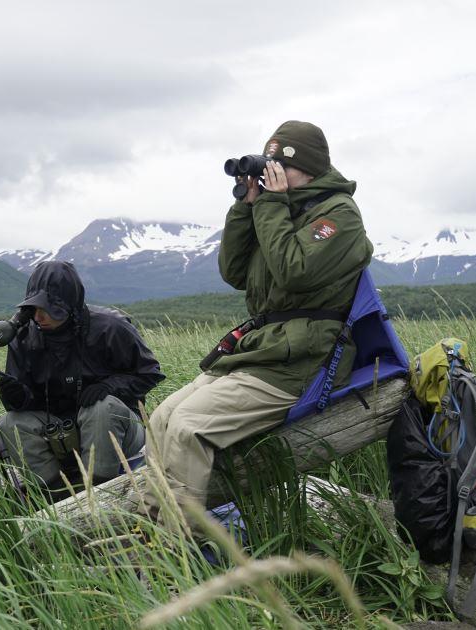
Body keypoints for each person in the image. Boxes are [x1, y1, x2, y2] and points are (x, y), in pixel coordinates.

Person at [139, 120, 373, 521]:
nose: (272, 174)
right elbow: (234, 272)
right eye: (269, 165)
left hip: (303, 360)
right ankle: (149, 529)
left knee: (189, 427)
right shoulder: (281, 209)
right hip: (265, 350)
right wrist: (245, 207)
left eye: (282, 166)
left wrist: (270, 205)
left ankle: (180, 545)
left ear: (311, 167)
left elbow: (294, 270)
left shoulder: (339, 215)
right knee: (162, 418)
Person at [0, 261, 165, 498]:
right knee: (9, 422)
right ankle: (55, 494)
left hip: (118, 430)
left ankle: (100, 492)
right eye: (34, 308)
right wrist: (15, 397)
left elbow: (150, 373)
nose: (39, 316)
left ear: (68, 306)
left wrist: (110, 386)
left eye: (48, 308)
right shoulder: (24, 336)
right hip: (58, 433)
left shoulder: (111, 327)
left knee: (102, 408)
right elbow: (23, 407)